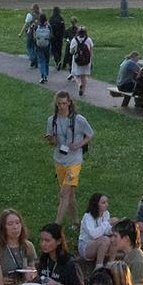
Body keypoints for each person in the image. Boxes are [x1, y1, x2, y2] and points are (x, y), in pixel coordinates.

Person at [45, 91, 94, 227]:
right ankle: (76, 221)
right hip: (59, 160)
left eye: (64, 103)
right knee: (70, 195)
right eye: (59, 104)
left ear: (69, 103)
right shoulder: (52, 120)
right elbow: (53, 141)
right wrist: (51, 140)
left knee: (64, 193)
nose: (61, 106)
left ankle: (56, 226)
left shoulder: (79, 120)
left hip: (74, 161)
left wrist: (78, 145)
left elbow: (90, 135)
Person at [77, 192, 116, 267]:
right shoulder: (88, 217)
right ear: (96, 204)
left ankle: (111, 264)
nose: (107, 205)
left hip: (100, 243)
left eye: (107, 202)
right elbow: (93, 235)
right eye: (103, 203)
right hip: (85, 246)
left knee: (116, 237)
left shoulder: (106, 213)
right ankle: (99, 267)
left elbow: (106, 230)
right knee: (105, 239)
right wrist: (108, 222)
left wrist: (115, 228)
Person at [69, 26, 94, 97]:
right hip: (86, 60)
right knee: (84, 76)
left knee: (75, 74)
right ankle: (83, 92)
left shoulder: (74, 40)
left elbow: (71, 51)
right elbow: (91, 51)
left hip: (77, 60)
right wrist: (91, 60)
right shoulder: (89, 40)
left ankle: (79, 84)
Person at [33, 11, 54, 84]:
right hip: (47, 45)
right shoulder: (48, 27)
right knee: (46, 60)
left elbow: (34, 37)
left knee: (41, 60)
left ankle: (42, 75)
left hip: (39, 46)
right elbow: (51, 36)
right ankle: (46, 74)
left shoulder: (36, 27)